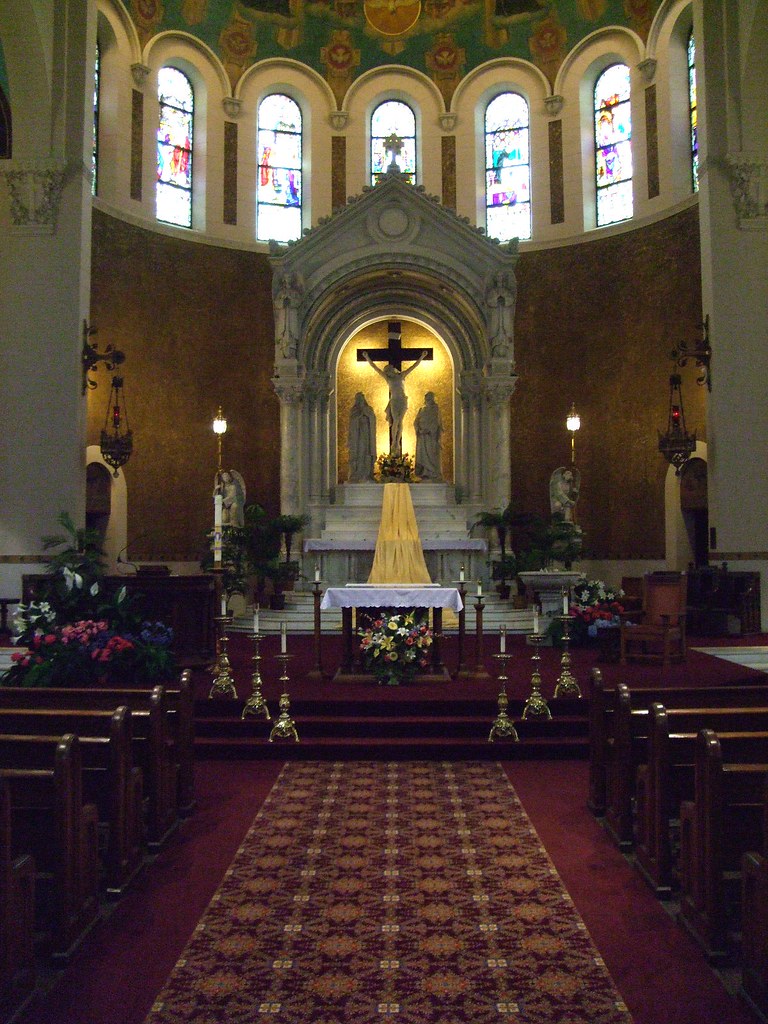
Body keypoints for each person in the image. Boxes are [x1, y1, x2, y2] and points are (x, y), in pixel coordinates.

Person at [363, 349, 428, 455]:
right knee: (396, 421)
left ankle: (396, 442)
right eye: (386, 372)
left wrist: (422, 356)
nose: (387, 372)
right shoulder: (388, 379)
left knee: (399, 420)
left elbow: (413, 366)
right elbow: (375, 368)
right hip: (394, 401)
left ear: (392, 370)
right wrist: (367, 358)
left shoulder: (401, 376)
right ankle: (395, 443)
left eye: (388, 370)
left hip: (402, 400)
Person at [348, 392, 377, 482]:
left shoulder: (369, 409)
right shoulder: (354, 411)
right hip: (357, 437)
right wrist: (359, 416)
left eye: (361, 398)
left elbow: (372, 419)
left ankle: (367, 474)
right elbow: (352, 422)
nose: (359, 401)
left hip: (367, 436)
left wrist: (367, 415)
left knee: (367, 453)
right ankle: (357, 473)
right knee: (359, 453)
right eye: (358, 399)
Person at [414, 391, 443, 481]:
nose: (428, 399)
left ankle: (432, 472)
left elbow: (437, 423)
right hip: (422, 437)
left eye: (430, 398)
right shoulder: (421, 409)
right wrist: (419, 429)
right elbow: (416, 421)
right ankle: (424, 472)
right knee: (422, 454)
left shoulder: (436, 409)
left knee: (431, 453)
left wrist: (430, 430)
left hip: (431, 436)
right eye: (427, 398)